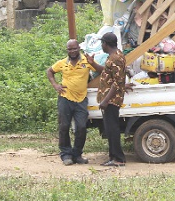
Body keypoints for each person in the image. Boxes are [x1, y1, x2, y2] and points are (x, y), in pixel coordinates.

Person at [47, 39, 102, 166]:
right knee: (64, 127)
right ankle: (66, 155)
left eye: (74, 48)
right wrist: (55, 85)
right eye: (69, 49)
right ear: (67, 50)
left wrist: (93, 63)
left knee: (82, 127)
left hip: (81, 100)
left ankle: (77, 154)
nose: (72, 51)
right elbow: (49, 71)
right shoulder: (62, 63)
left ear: (79, 48)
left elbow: (102, 70)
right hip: (65, 99)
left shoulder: (86, 61)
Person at [97, 32, 133, 167]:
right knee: (110, 128)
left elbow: (117, 82)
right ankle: (113, 157)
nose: (101, 45)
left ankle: (118, 158)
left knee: (112, 129)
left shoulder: (115, 58)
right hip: (111, 99)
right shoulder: (116, 56)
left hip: (112, 100)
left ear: (106, 44)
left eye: (102, 43)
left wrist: (105, 100)